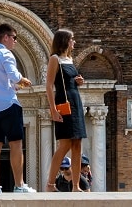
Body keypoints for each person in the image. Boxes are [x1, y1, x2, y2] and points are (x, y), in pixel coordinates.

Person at [0, 23, 36, 194]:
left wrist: (13, 86)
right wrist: (23, 80)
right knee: (16, 144)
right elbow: (14, 75)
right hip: (8, 105)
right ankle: (19, 185)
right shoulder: (5, 53)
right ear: (5, 37)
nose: (15, 41)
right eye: (14, 38)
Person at [44, 28, 86, 191]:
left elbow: (70, 81)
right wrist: (53, 110)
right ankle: (50, 184)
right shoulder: (55, 59)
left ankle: (75, 185)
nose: (74, 42)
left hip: (76, 101)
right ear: (64, 41)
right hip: (63, 102)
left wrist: (78, 81)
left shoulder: (69, 59)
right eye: (71, 39)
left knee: (77, 144)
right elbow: (49, 85)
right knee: (65, 145)